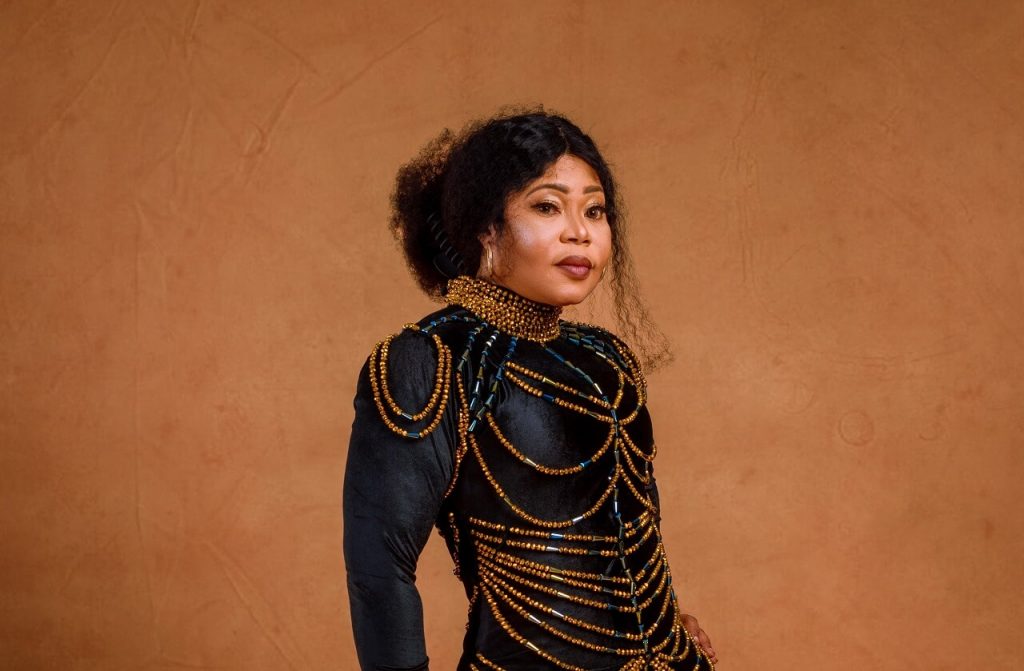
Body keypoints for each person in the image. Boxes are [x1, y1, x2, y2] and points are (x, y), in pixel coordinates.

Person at [343, 107, 719, 671]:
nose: (580, 232)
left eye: (595, 210)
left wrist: (666, 620)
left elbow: (633, 528)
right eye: (547, 206)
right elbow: (380, 570)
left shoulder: (606, 357)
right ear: (486, 229)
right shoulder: (430, 359)